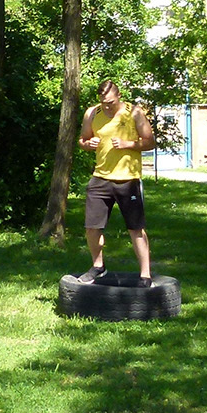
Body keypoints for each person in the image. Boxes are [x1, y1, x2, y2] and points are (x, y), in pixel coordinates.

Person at [76, 79, 156, 284]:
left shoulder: (134, 113)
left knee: (135, 228)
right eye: (104, 103)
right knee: (92, 227)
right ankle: (98, 266)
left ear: (119, 96)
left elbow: (150, 142)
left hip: (128, 179)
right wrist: (88, 144)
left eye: (111, 103)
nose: (107, 107)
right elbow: (82, 140)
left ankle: (145, 274)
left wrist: (127, 144)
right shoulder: (92, 113)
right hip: (100, 178)